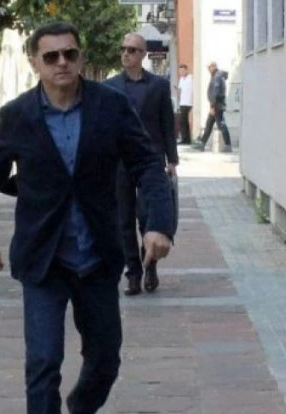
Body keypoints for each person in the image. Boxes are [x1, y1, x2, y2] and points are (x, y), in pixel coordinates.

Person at [0, 21, 174, 414]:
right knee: (42, 365)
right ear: (35, 64)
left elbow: (148, 164)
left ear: (80, 57)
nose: (62, 63)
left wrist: (159, 225)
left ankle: (81, 410)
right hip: (44, 260)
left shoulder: (110, 106)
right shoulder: (18, 115)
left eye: (69, 54)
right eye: (51, 56)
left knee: (105, 358)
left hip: (98, 256)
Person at [104, 33, 178, 296]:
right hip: (120, 162)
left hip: (150, 161)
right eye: (123, 49)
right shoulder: (110, 86)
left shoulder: (158, 86)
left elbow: (167, 124)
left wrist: (172, 160)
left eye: (132, 50)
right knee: (123, 219)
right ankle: (133, 274)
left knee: (147, 217)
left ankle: (150, 267)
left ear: (143, 54)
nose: (126, 53)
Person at [194, 62, 231, 152]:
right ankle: (202, 143)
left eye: (209, 67)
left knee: (221, 124)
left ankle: (228, 145)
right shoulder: (218, 76)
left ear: (214, 67)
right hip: (217, 104)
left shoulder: (217, 77)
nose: (208, 69)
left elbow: (215, 92)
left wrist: (212, 106)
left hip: (216, 105)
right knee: (209, 124)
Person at [176, 64, 193, 144]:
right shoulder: (181, 79)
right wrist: (177, 90)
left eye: (183, 71)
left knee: (181, 121)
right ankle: (187, 139)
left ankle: (185, 139)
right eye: (180, 71)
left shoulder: (191, 78)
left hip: (189, 102)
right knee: (184, 121)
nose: (181, 72)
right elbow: (180, 90)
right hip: (182, 102)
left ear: (186, 70)